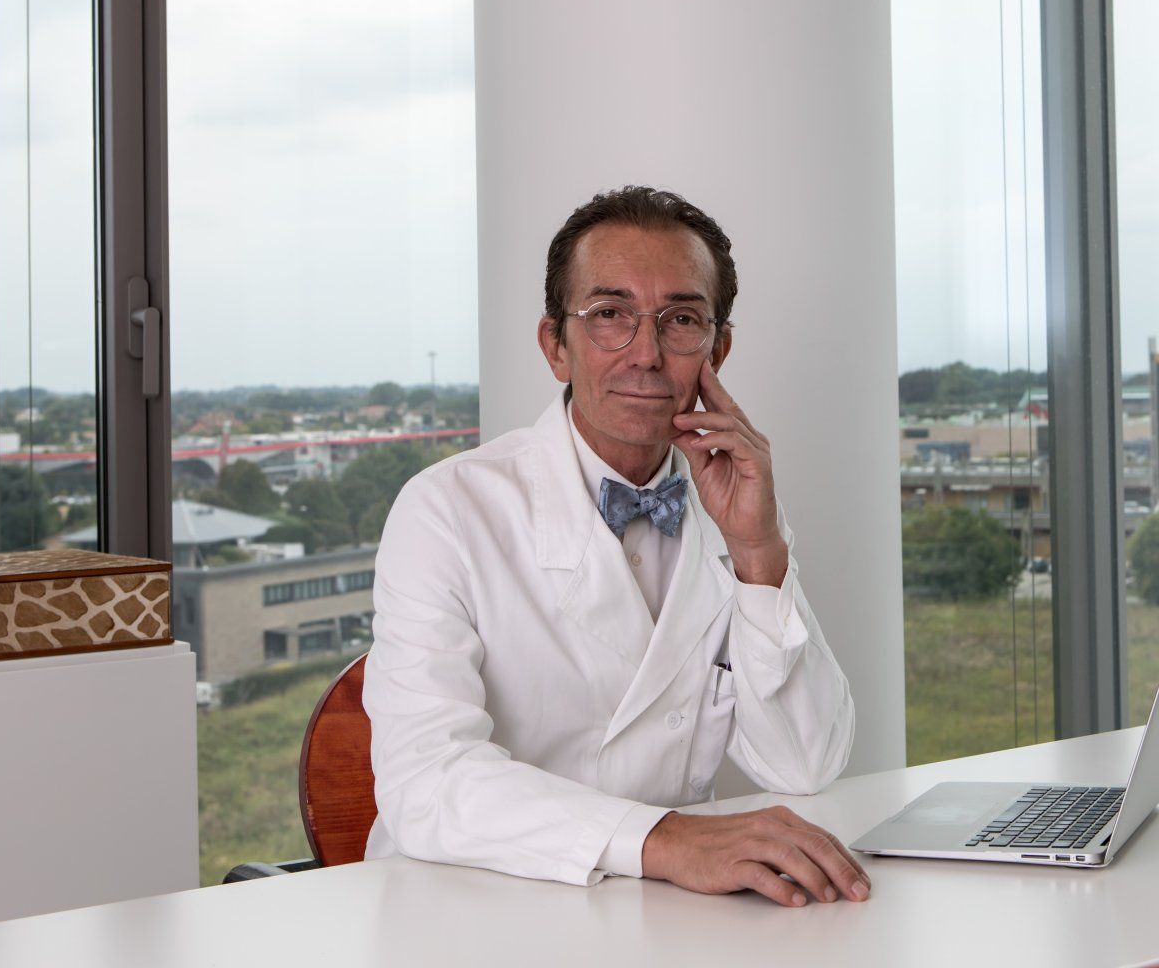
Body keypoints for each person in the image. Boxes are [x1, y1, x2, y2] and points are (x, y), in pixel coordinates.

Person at [362, 185, 868, 908]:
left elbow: (804, 763)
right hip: (466, 907)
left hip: (656, 913)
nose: (646, 355)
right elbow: (426, 781)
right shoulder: (445, 509)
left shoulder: (735, 509)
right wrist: (667, 840)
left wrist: (759, 553)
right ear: (555, 346)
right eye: (609, 316)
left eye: (681, 320)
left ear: (718, 349)